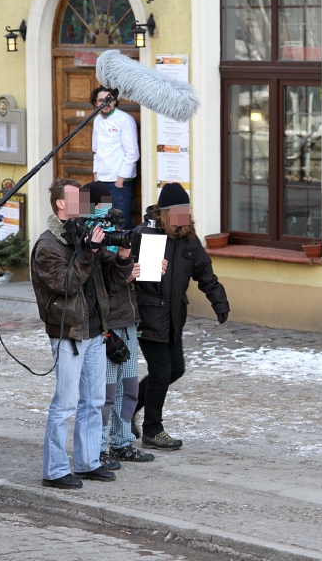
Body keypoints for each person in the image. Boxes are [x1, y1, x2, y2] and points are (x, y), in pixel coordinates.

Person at [31, 179, 134, 489]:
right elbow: (65, 284)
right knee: (65, 404)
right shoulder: (49, 245)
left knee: (94, 400)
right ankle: (55, 470)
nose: (84, 203)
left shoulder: (84, 234)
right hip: (68, 333)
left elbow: (112, 279)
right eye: (77, 198)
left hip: (94, 330)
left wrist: (124, 254)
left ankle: (89, 462)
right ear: (61, 204)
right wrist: (86, 252)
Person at [132, 183, 230, 450]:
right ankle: (153, 430)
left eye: (185, 210)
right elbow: (133, 275)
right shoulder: (147, 234)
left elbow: (205, 274)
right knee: (161, 371)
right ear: (164, 212)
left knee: (175, 369)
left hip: (174, 317)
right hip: (147, 315)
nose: (182, 215)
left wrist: (219, 303)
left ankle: (128, 408)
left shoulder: (189, 239)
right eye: (177, 211)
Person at [82, 182, 156, 469]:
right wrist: (125, 270)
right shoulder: (89, 238)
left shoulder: (116, 231)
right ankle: (100, 447)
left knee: (129, 388)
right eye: (101, 204)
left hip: (127, 319)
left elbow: (123, 270)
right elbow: (97, 281)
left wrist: (146, 268)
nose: (106, 210)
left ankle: (123, 441)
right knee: (106, 393)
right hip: (106, 323)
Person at [91, 85, 140, 230]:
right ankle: (106, 253)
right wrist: (96, 174)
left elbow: (132, 152)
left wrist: (121, 178)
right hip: (101, 181)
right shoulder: (97, 120)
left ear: (115, 101)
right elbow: (96, 150)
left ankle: (124, 253)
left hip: (119, 183)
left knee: (121, 224)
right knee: (102, 222)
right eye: (101, 100)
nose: (105, 103)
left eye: (109, 100)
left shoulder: (125, 119)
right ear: (96, 103)